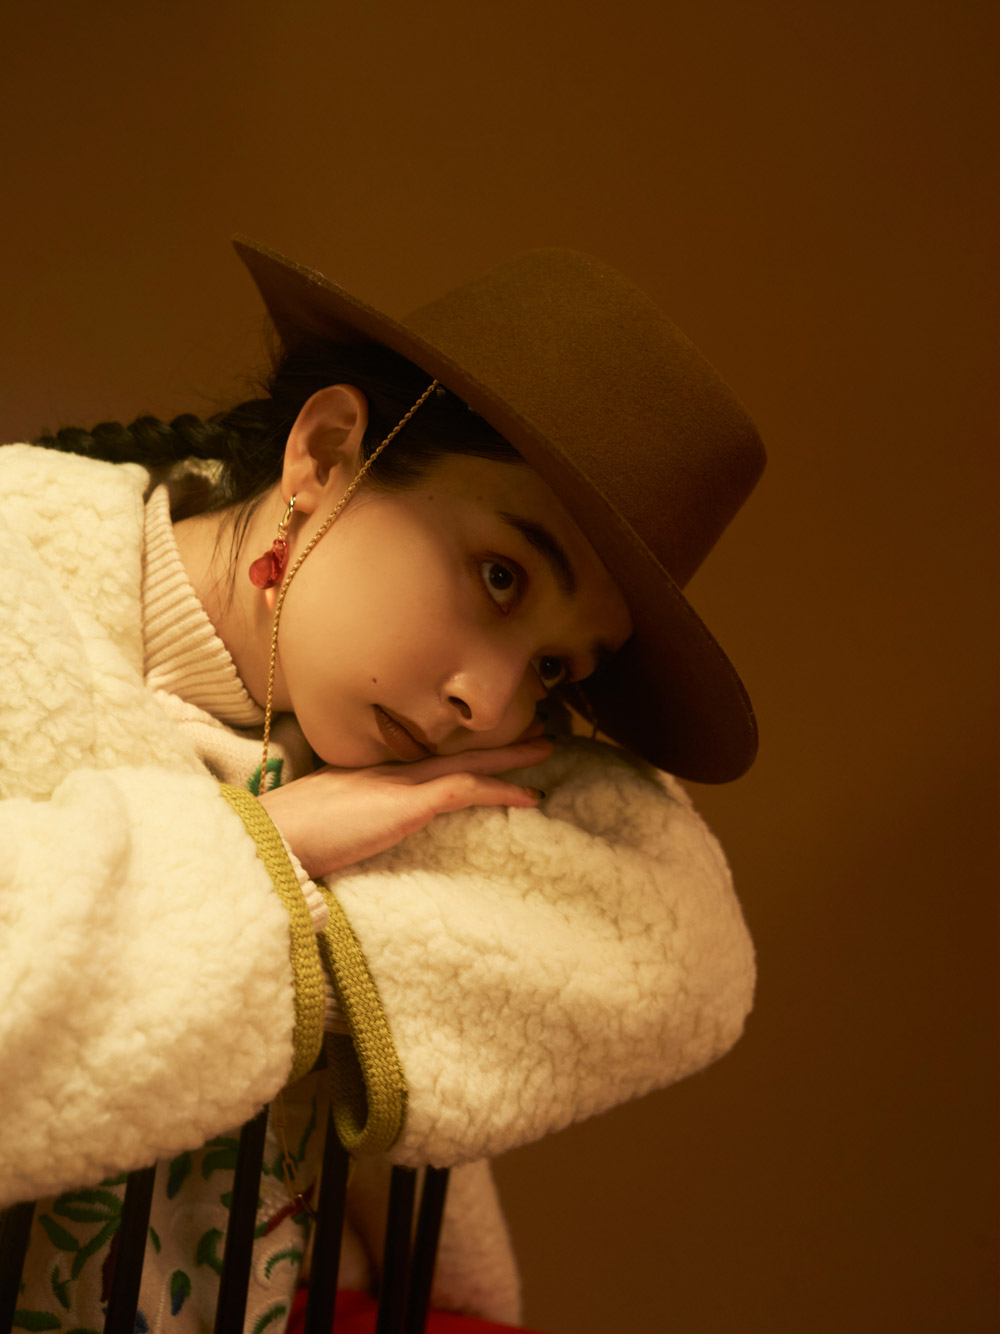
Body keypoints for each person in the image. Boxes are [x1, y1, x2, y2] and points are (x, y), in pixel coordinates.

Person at [0, 242, 764, 1331]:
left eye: (555, 669)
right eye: (500, 576)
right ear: (325, 452)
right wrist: (262, 852)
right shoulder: (19, 587)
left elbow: (681, 945)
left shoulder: (414, 777)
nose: (488, 705)